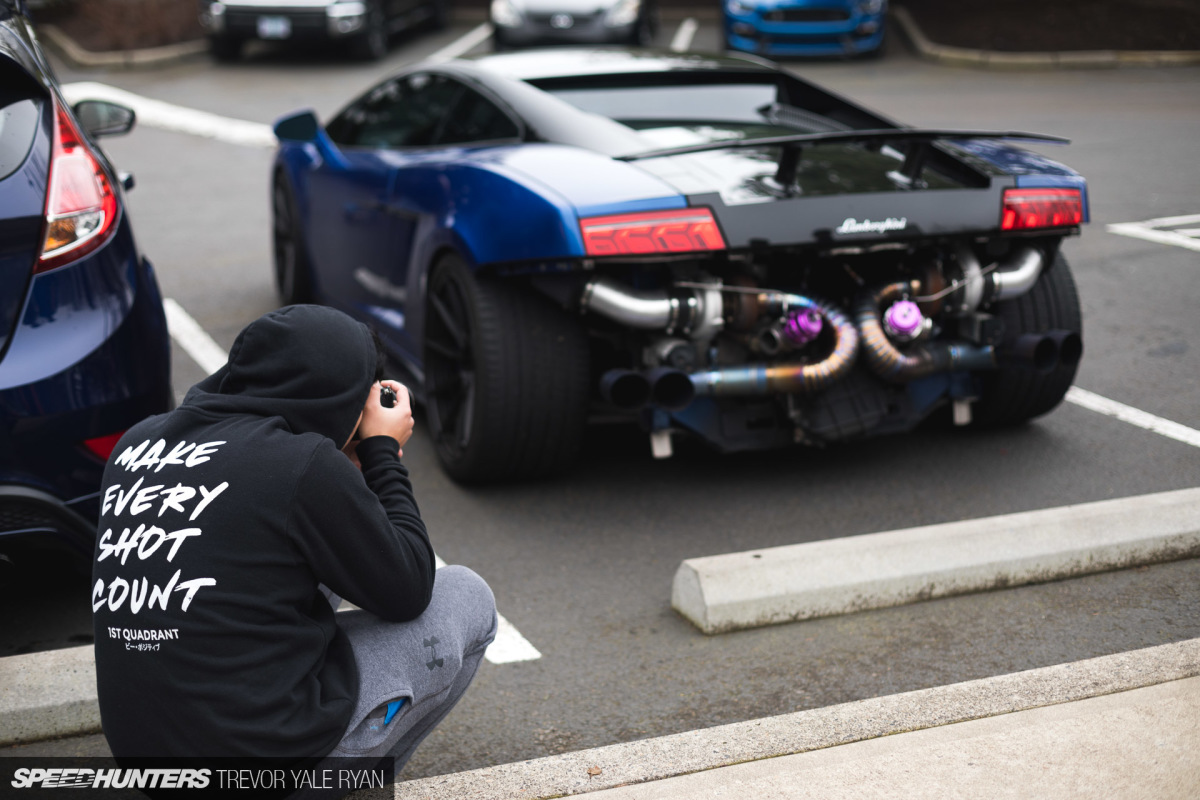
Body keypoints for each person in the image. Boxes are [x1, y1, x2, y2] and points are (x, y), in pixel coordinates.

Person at [91, 304, 497, 792]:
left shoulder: (135, 444)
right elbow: (407, 587)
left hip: (148, 764)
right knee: (468, 596)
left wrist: (343, 457)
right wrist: (379, 452)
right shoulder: (300, 463)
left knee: (301, 550)